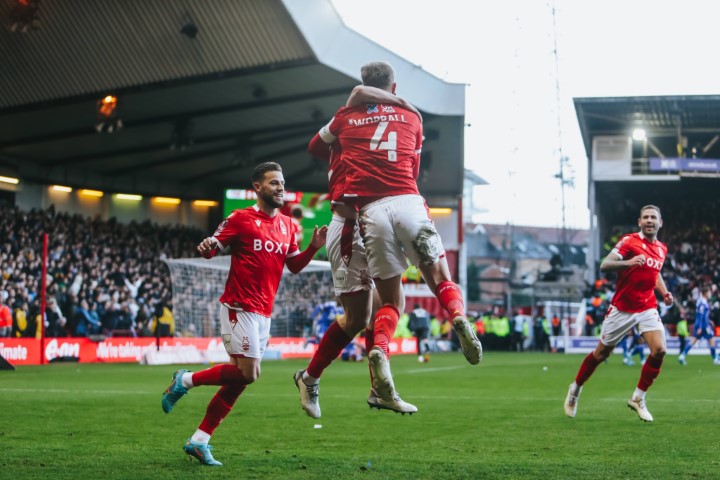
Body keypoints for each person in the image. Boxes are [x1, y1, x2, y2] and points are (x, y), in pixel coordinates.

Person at [312, 61, 482, 406]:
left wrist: (344, 135)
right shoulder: (413, 117)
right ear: (394, 88)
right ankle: (459, 317)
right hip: (405, 200)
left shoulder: (344, 119)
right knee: (438, 274)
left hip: (368, 211)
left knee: (389, 301)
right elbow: (414, 168)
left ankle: (379, 356)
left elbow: (316, 145)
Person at [160, 162, 327, 466]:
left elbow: (293, 265)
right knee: (249, 373)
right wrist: (209, 245)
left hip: (264, 312)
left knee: (240, 380)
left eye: (283, 183)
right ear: (258, 187)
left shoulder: (289, 225)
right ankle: (184, 380)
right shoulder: (241, 218)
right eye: (274, 183)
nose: (280, 188)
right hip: (239, 306)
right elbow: (213, 247)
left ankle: (199, 440)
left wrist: (313, 248)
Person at [294, 85, 422, 418]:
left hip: (373, 226)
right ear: (391, 89)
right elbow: (355, 96)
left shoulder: (354, 128)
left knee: (386, 307)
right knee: (357, 319)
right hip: (350, 227)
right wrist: (400, 104)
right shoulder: (349, 125)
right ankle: (308, 378)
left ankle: (379, 390)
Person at [564, 205, 673, 422]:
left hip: (647, 307)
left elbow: (655, 272)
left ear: (660, 223)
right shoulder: (629, 241)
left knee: (659, 350)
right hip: (622, 309)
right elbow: (605, 264)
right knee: (600, 355)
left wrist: (664, 292)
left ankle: (638, 398)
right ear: (640, 222)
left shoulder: (662, 248)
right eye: (646, 217)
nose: (650, 220)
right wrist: (628, 262)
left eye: (654, 217)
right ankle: (575, 390)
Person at [678, 286, 718, 365]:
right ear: (705, 293)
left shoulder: (701, 301)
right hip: (703, 326)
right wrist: (700, 326)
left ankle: (682, 356)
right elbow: (700, 315)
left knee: (693, 340)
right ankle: (715, 359)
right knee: (711, 341)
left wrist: (709, 321)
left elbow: (702, 315)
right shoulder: (703, 303)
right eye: (709, 292)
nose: (710, 294)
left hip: (701, 324)